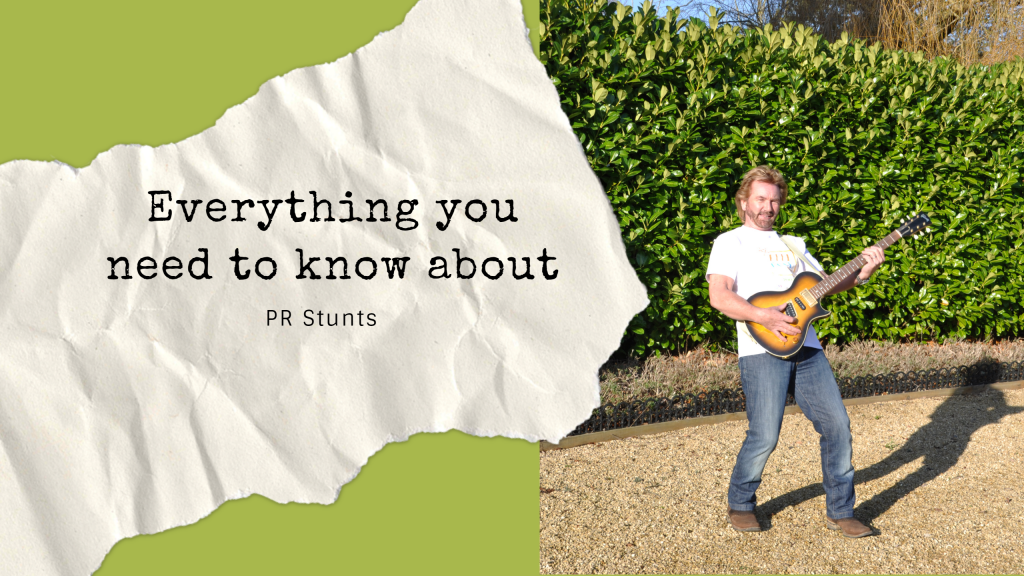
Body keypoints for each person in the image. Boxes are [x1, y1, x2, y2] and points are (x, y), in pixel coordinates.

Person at [705, 165, 884, 538]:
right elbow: (719, 296)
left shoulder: (794, 244)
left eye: (774, 200)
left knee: (838, 426)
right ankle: (740, 503)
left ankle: (841, 510)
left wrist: (863, 272)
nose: (768, 207)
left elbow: (823, 287)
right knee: (765, 435)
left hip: (808, 347)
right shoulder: (730, 242)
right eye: (760, 199)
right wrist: (762, 317)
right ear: (743, 201)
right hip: (760, 347)